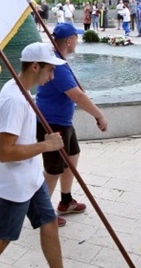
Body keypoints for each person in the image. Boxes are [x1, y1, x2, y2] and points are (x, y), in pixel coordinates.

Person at [0, 42, 66, 268]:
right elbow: (5, 152)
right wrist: (45, 146)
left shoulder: (19, 90)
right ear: (35, 66)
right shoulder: (14, 99)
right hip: (15, 186)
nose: (53, 76)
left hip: (32, 178)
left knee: (49, 221)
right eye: (50, 70)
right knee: (2, 238)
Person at [36, 23, 108, 227]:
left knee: (72, 157)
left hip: (63, 122)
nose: (78, 41)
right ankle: (42, 213)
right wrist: (100, 115)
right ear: (69, 41)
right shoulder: (57, 67)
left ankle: (66, 200)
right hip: (52, 124)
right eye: (76, 37)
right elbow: (77, 95)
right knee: (53, 169)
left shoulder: (58, 61)